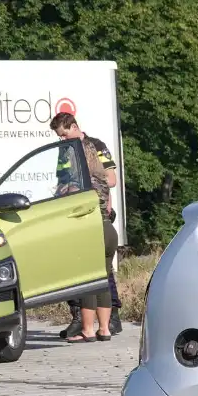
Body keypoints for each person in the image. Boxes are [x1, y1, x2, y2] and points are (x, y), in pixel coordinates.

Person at [49, 112, 121, 342]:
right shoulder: (65, 151)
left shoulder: (96, 146)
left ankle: (99, 324)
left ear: (75, 126)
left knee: (94, 275)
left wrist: (79, 185)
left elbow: (110, 180)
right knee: (94, 271)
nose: (62, 139)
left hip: (93, 217)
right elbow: (62, 183)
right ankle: (94, 324)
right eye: (59, 136)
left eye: (64, 134)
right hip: (81, 217)